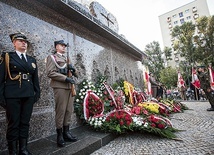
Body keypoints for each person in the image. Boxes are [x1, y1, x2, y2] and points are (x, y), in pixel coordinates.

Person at [0, 32, 40, 155]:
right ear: (14, 43)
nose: (24, 43)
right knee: (13, 123)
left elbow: (35, 79)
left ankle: (23, 149)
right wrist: (1, 97)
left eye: (25, 41)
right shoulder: (7, 57)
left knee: (25, 122)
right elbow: (1, 78)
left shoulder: (31, 60)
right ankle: (13, 150)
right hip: (12, 95)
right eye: (20, 41)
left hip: (28, 95)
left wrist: (36, 93)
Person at [46, 40, 78, 147]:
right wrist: (65, 79)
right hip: (60, 86)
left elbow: (76, 73)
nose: (64, 47)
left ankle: (66, 132)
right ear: (56, 47)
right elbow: (50, 73)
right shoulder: (52, 58)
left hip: (70, 87)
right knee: (61, 110)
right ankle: (59, 135)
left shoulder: (67, 59)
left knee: (69, 110)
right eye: (62, 45)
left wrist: (73, 70)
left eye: (65, 46)